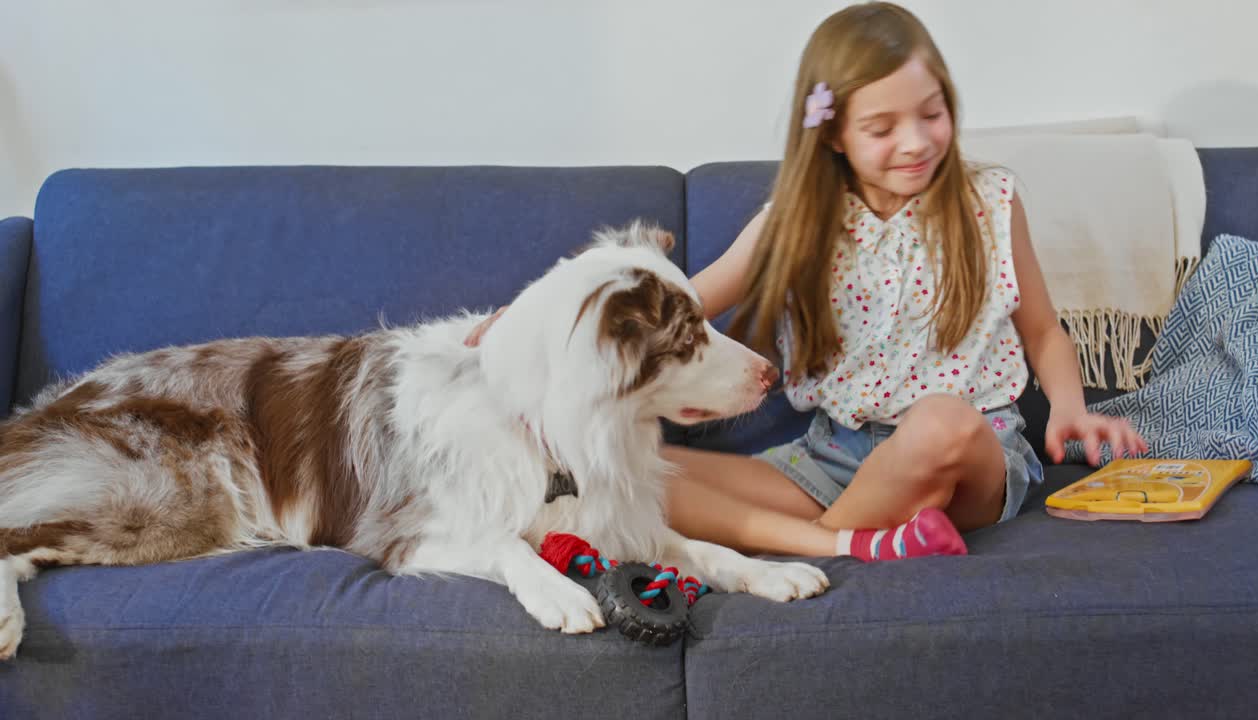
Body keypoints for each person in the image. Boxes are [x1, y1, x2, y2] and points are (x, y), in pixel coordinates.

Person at [467, 1, 1146, 562]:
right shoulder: (794, 223)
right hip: (828, 461)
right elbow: (681, 309)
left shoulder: (990, 201)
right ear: (833, 136)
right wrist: (533, 326)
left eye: (931, 114)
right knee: (626, 473)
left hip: (969, 459)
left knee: (944, 425)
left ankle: (822, 546)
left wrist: (1067, 408)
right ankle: (861, 538)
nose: (915, 142)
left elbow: (1045, 333)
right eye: (882, 127)